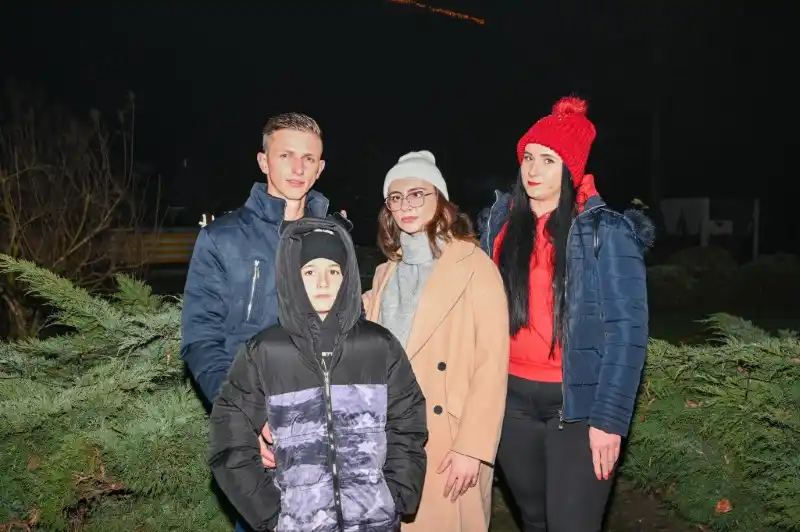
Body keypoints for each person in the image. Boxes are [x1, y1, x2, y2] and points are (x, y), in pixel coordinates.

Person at [477, 96, 654, 531]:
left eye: (548, 160)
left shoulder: (606, 231)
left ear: (570, 169)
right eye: (528, 157)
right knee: (534, 519)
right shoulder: (500, 226)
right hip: (509, 400)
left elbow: (628, 332)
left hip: (577, 406)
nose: (533, 170)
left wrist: (609, 420)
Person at [180, 112, 347, 531]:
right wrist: (248, 416)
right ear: (263, 161)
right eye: (286, 155)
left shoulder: (335, 237)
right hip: (258, 430)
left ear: (320, 167)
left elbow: (350, 329)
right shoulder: (221, 238)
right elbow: (201, 340)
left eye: (309, 158)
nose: (298, 167)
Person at [208, 217, 428, 532]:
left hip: (374, 522)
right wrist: (270, 514)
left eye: (333, 271)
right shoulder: (265, 352)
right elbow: (229, 436)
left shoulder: (378, 346)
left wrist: (397, 495)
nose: (323, 282)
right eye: (310, 271)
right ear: (293, 276)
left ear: (347, 276)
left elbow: (408, 422)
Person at [362, 150, 510, 531]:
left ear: (440, 200)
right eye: (396, 198)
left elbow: (492, 364)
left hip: (448, 441)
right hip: (391, 438)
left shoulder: (473, 266)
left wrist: (472, 448)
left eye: (417, 194)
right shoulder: (385, 274)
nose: (406, 205)